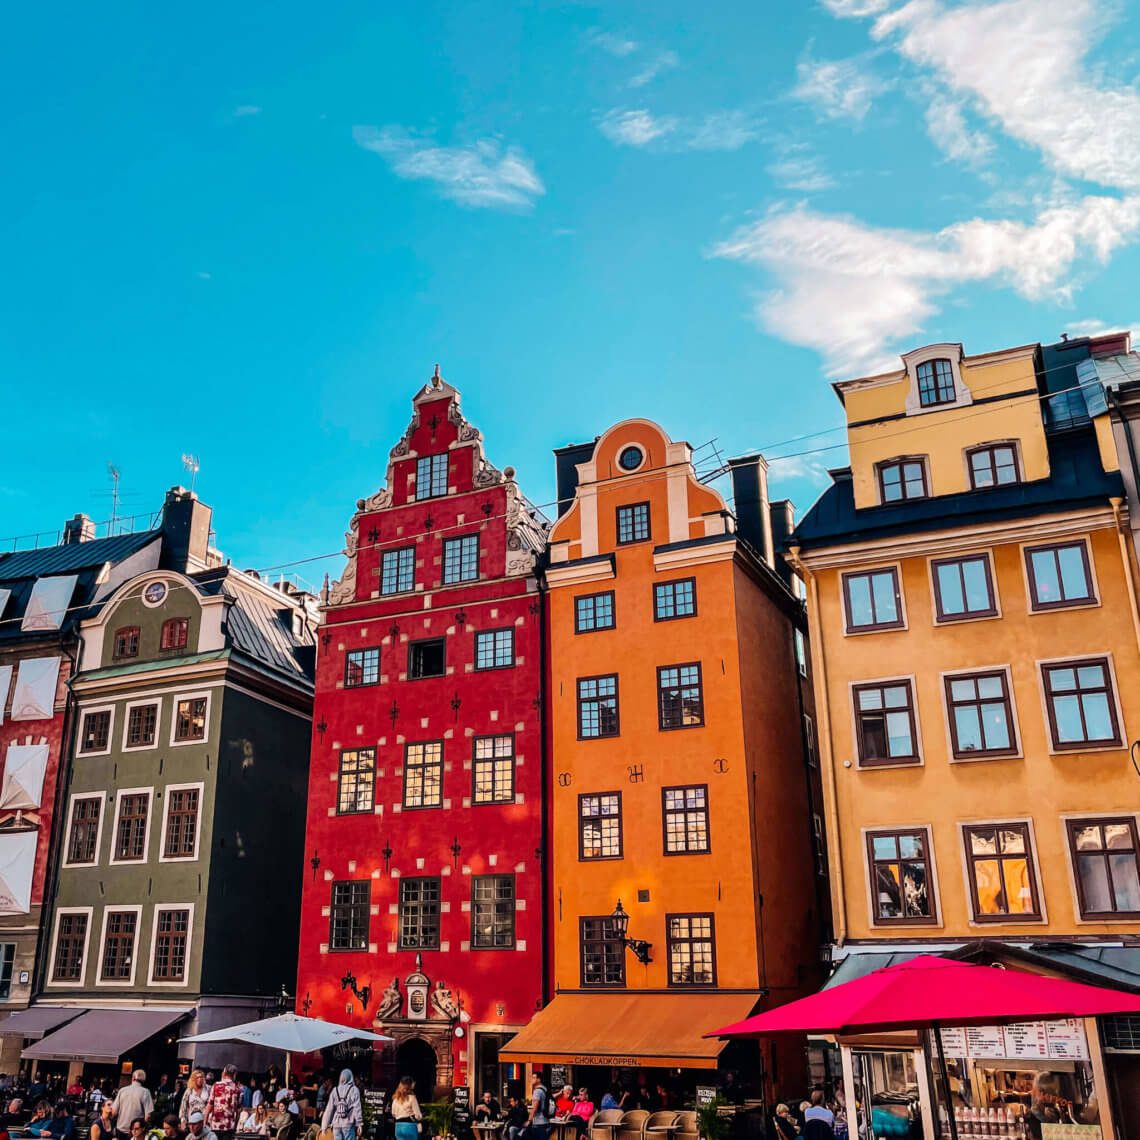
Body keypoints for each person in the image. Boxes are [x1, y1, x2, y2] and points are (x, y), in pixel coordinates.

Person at [321, 1071, 362, 1140]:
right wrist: (359, 1123)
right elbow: (357, 1108)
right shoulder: (354, 1090)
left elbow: (329, 1109)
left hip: (336, 1124)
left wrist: (324, 1126)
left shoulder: (335, 1090)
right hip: (348, 1123)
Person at [206, 1066, 242, 1140]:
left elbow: (209, 1105)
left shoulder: (216, 1086)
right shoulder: (237, 1089)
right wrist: (235, 1126)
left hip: (215, 1126)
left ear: (224, 1073)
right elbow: (238, 1111)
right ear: (234, 1075)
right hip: (229, 1127)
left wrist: (205, 1122)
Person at [114, 1075, 155, 1140]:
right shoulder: (145, 1092)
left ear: (133, 1078)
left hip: (121, 1129)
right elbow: (148, 1116)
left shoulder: (122, 1090)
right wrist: (143, 1130)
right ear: (143, 1080)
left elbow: (114, 1112)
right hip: (136, 1132)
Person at [525, 1075, 550, 1140]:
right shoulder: (545, 1089)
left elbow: (534, 1108)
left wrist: (529, 1120)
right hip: (546, 1120)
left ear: (539, 1080)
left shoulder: (537, 1091)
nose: (532, 1079)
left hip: (538, 1121)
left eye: (533, 1078)